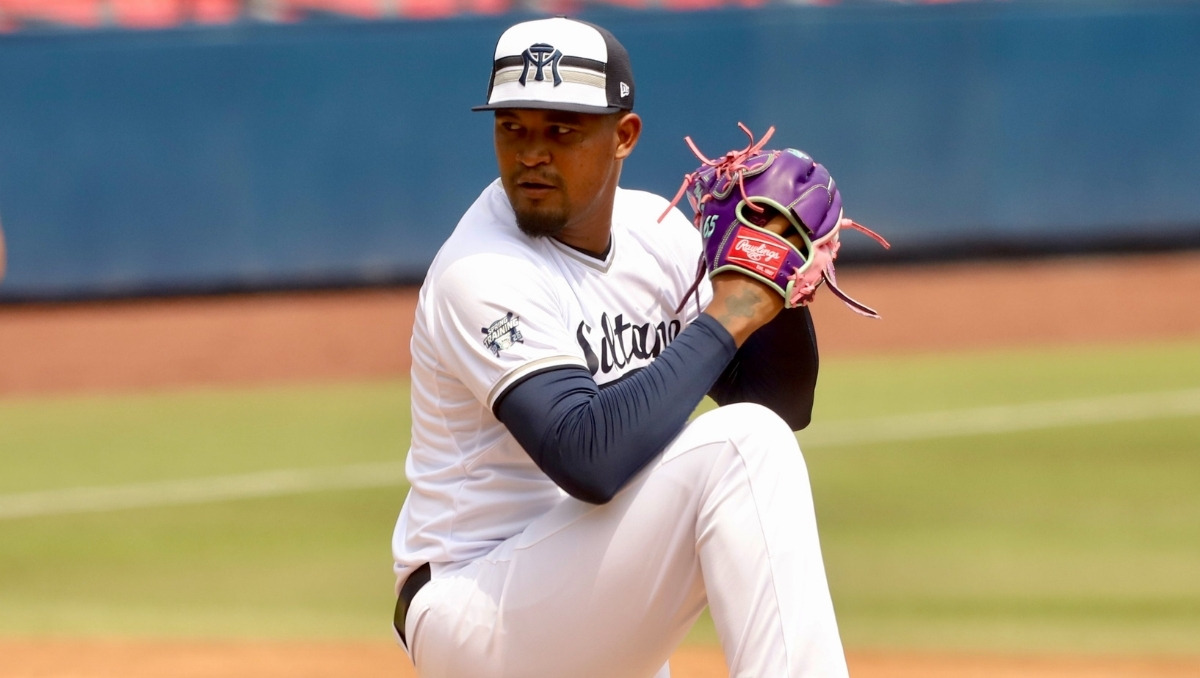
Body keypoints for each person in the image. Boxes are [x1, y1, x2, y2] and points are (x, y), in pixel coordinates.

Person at [390, 16, 849, 678]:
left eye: (561, 130)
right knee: (740, 445)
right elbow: (589, 458)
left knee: (755, 437)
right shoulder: (481, 270)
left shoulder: (653, 234)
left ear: (623, 137)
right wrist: (729, 312)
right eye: (512, 127)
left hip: (588, 588)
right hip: (475, 607)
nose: (531, 153)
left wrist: (777, 293)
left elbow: (779, 403)